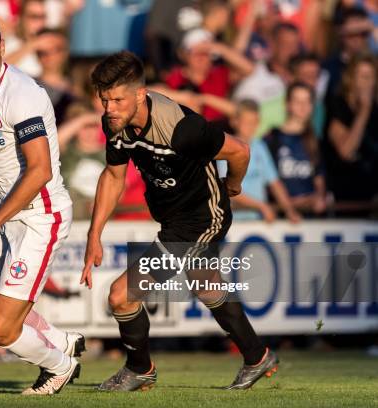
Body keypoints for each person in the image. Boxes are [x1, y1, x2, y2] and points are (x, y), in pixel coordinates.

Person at [81, 51, 278, 392]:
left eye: (116, 100)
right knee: (206, 284)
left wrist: (232, 185)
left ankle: (139, 369)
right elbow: (114, 176)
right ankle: (257, 356)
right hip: (173, 217)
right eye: (104, 99)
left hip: (202, 217)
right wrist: (94, 233)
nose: (109, 108)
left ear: (140, 95)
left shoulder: (181, 129)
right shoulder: (114, 121)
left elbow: (240, 150)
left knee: (121, 296)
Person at [0, 12, 82, 395]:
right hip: (0, 210)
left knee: (1, 329)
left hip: (40, 217)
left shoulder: (22, 94)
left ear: (3, 48)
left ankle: (60, 367)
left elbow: (39, 170)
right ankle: (60, 341)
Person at [225, 100, 302, 223]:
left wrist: (289, 210)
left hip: (259, 219)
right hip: (233, 221)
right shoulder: (226, 147)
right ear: (235, 121)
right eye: (247, 122)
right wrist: (261, 206)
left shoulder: (260, 146)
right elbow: (227, 189)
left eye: (255, 122)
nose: (251, 126)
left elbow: (275, 183)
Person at [264, 82, 327, 216]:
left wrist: (318, 198)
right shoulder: (272, 138)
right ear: (287, 105)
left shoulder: (315, 140)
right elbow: (268, 181)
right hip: (280, 216)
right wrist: (291, 204)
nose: (303, 107)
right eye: (297, 101)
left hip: (310, 217)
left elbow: (319, 179)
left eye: (307, 101)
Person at [323, 54, 378, 205]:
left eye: (370, 77)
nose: (365, 83)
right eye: (361, 76)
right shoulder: (338, 106)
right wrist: (364, 111)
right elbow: (346, 151)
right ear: (350, 78)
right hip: (344, 194)